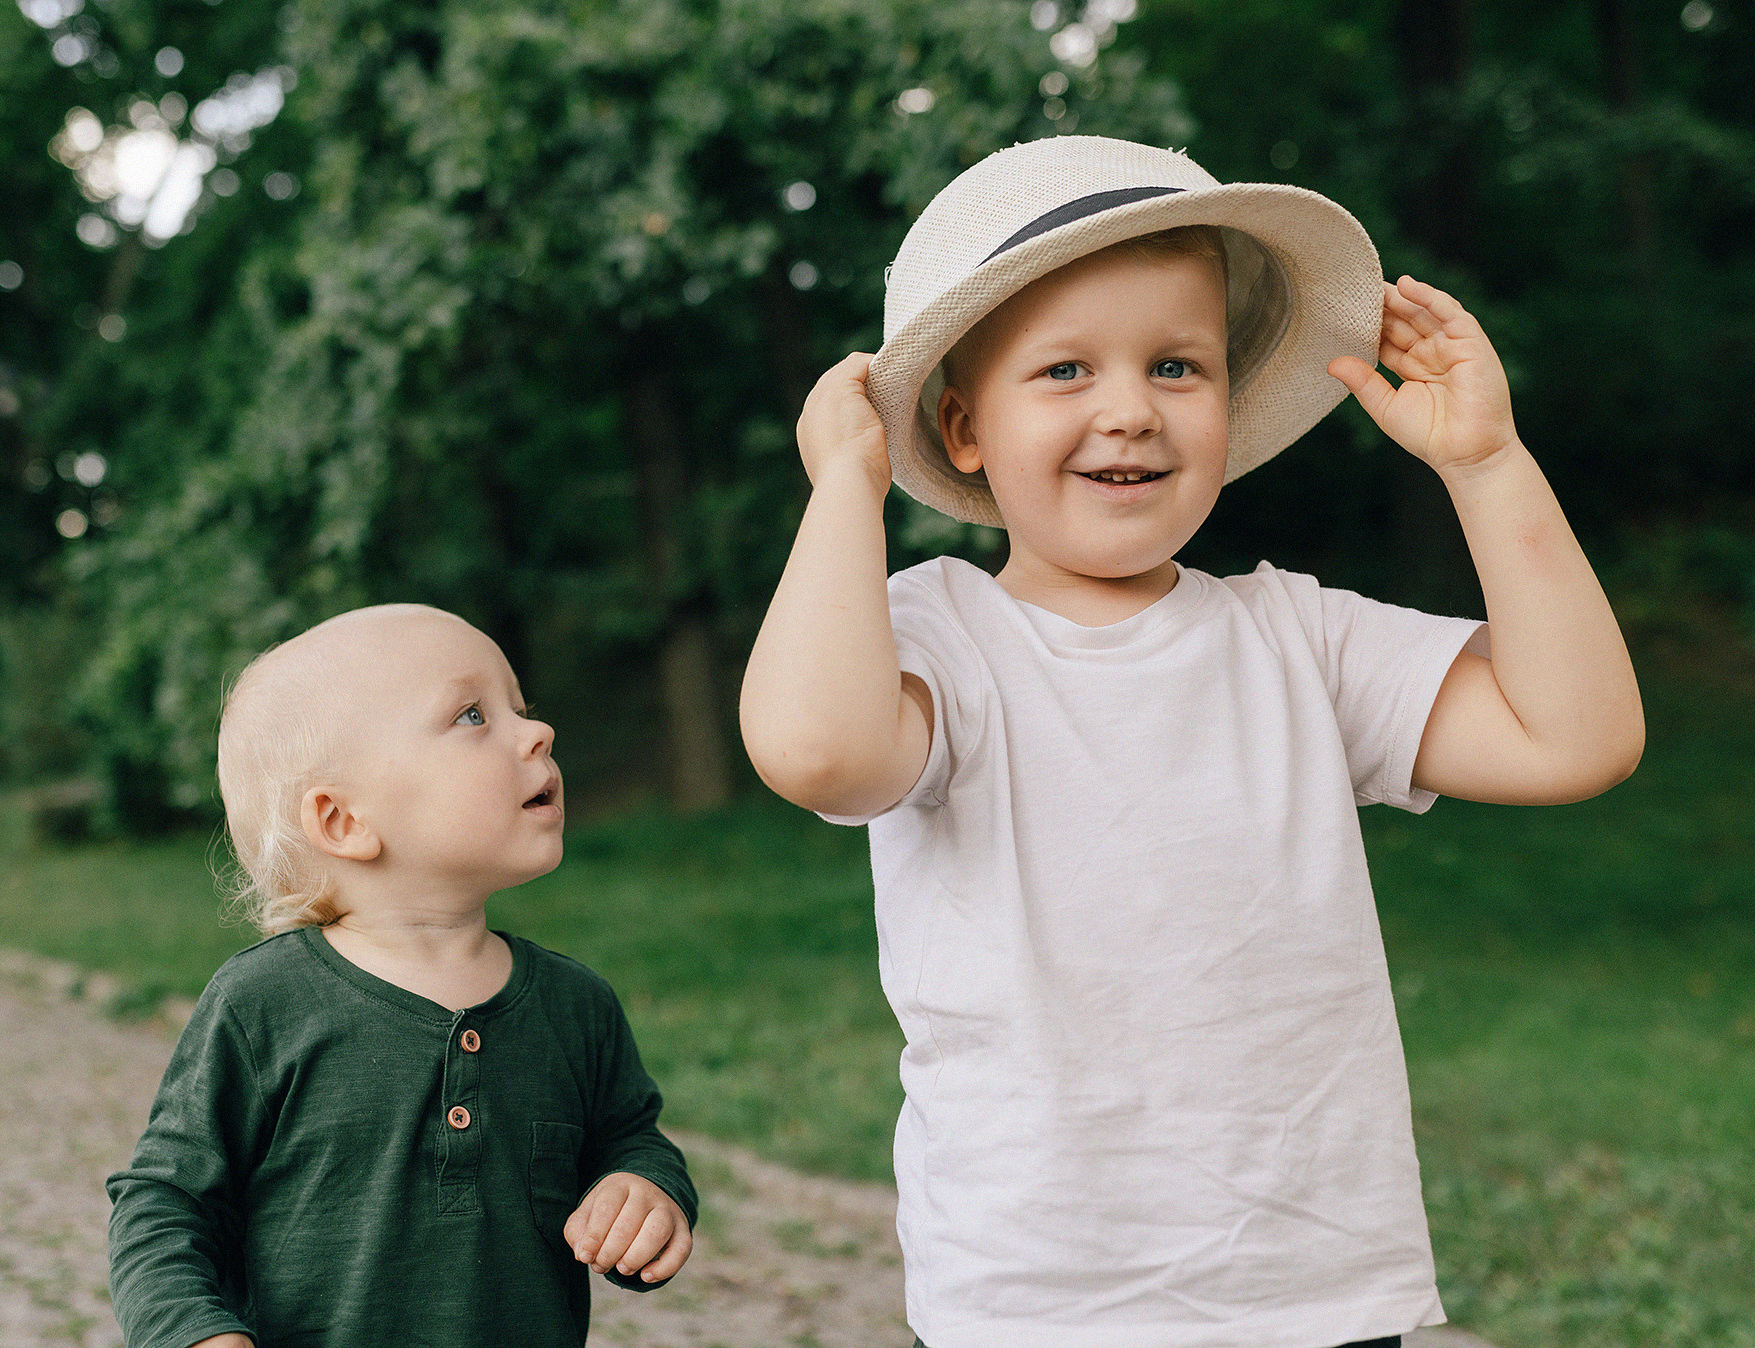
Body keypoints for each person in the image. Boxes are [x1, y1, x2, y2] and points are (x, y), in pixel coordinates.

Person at [739, 136, 1642, 1348]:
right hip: (1036, 1305)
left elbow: (1571, 737)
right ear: (960, 429)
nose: (1128, 409)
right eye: (1063, 370)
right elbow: (816, 753)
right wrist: (842, 489)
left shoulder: (1296, 638)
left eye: (1176, 364)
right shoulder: (939, 640)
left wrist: (1486, 466)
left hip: (1314, 1293)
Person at [107, 604, 696, 1348]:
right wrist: (192, 1333)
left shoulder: (575, 1007)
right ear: (345, 822)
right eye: (474, 715)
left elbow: (631, 1141)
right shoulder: (264, 1005)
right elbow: (165, 1203)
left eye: (522, 707)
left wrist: (643, 1194)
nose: (537, 733)